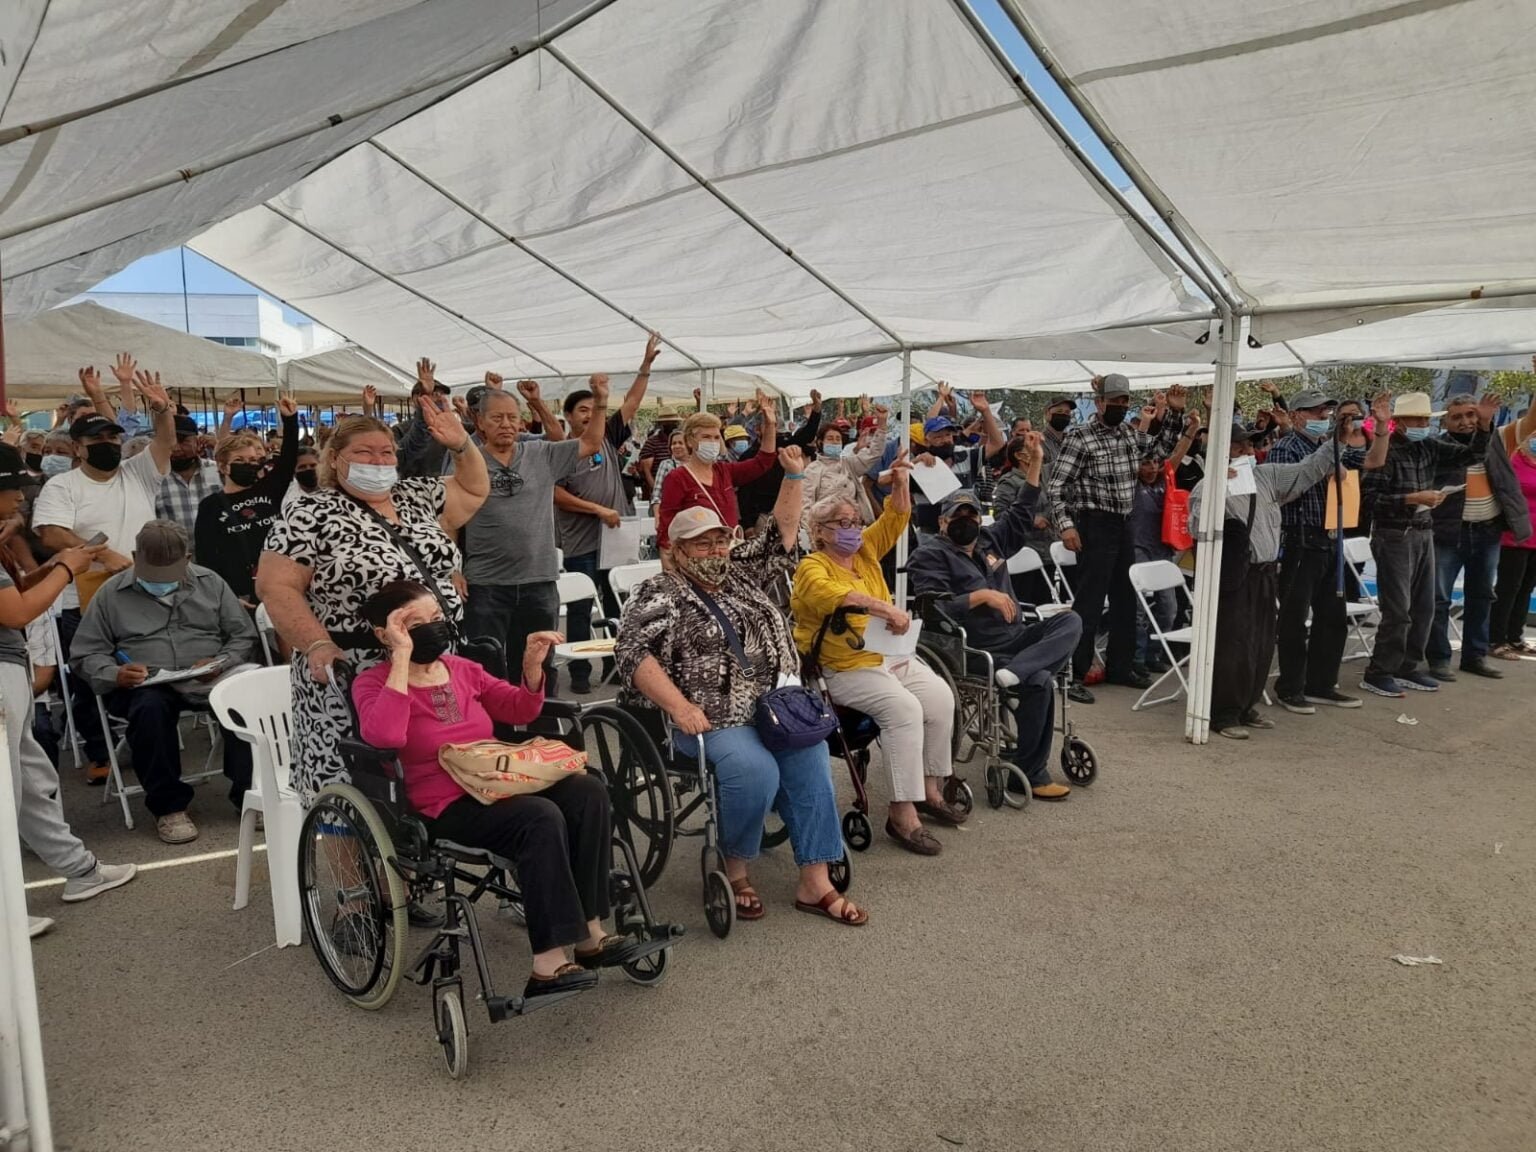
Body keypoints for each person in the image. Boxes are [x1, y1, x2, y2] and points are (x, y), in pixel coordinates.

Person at [351, 580, 640, 997]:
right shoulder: (373, 683)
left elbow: (518, 708)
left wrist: (532, 668)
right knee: (539, 817)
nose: (433, 628)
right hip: (443, 803)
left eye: (437, 617)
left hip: (498, 781)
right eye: (415, 624)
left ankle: (590, 935)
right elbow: (385, 737)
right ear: (386, 634)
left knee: (588, 791)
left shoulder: (463, 669)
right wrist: (400, 658)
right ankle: (547, 963)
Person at [619, 455, 867, 926]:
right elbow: (633, 654)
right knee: (754, 770)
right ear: (677, 549)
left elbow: (782, 532)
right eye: (701, 543)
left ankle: (815, 880)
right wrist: (679, 706)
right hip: (708, 716)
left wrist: (793, 476)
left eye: (719, 540)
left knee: (812, 756)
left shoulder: (741, 575)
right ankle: (734, 868)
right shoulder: (658, 592)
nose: (714, 550)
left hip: (773, 707)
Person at [256, 398, 489, 800]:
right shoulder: (308, 512)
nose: (378, 461)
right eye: (364, 452)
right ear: (335, 459)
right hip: (354, 667)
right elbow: (276, 587)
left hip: (430, 661)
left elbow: (473, 488)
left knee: (435, 771)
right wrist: (316, 643)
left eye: (386, 452)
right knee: (357, 783)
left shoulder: (416, 495)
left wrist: (461, 444)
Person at [792, 451, 968, 855]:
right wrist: (883, 608)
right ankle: (902, 814)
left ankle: (930, 789)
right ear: (819, 532)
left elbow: (896, 518)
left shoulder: (865, 552)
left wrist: (902, 482)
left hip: (887, 655)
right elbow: (832, 595)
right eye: (842, 524)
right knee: (905, 710)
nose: (853, 529)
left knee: (940, 697)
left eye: (856, 522)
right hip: (842, 667)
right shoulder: (811, 567)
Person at [0, 445, 137, 936]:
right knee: (7, 792)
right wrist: (66, 570)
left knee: (30, 783)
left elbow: (15, 596)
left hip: (9, 668)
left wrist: (56, 564)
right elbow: (16, 612)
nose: (20, 497)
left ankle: (80, 870)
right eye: (11, 488)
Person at [908, 440, 1082, 801]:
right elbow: (934, 608)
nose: (966, 522)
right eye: (958, 517)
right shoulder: (930, 554)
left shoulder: (989, 540)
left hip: (1015, 640)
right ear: (942, 522)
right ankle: (1031, 772)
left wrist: (1035, 462)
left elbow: (1021, 511)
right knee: (1040, 680)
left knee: (1070, 621)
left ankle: (1016, 672)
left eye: (971, 516)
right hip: (973, 648)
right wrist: (982, 596)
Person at [70, 521, 260, 843]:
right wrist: (115, 673)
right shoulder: (111, 594)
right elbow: (85, 654)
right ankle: (169, 807)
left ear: (187, 559)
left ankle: (250, 794)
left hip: (208, 676)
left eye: (169, 573)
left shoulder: (211, 583)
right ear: (135, 557)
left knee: (246, 697)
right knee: (150, 710)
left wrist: (221, 662)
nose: (160, 582)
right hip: (147, 682)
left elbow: (242, 635)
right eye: (152, 573)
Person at [32, 370, 175, 785]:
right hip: (86, 599)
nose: (108, 444)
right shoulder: (63, 486)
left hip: (144, 592)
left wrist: (161, 408)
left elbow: (165, 441)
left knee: (153, 670)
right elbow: (50, 532)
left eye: (113, 438)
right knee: (90, 678)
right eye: (97, 440)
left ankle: (146, 735)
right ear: (78, 448)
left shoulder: (137, 472)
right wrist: (100, 552)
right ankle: (99, 750)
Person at [1191, 421, 1356, 738]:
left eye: (1249, 445)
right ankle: (1224, 712)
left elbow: (1309, 469)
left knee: (1262, 642)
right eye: (1239, 445)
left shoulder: (1266, 476)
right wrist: (1215, 488)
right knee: (1232, 644)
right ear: (1220, 451)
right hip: (1234, 575)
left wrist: (1338, 441)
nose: (1247, 451)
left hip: (1266, 572)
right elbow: (1196, 527)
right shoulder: (1206, 486)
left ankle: (1246, 705)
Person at [460, 376, 609, 692]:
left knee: (538, 664)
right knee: (485, 666)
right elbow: (450, 517)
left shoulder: (541, 453)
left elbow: (591, 443)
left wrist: (601, 402)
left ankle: (541, 719)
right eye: (496, 418)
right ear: (479, 422)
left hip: (538, 581)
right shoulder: (466, 459)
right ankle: (493, 724)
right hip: (486, 583)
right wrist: (452, 569)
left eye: (512, 417)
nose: (506, 424)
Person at [1045, 374, 1185, 702]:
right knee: (1090, 602)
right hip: (1094, 523)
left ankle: (1120, 666)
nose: (1121, 407)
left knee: (1126, 597)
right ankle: (1074, 673)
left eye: (1125, 401)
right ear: (1099, 403)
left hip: (1125, 522)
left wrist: (1175, 413)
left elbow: (1161, 450)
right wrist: (1066, 526)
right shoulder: (1080, 436)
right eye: (1115, 401)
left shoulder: (1128, 433)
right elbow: (1056, 486)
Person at [1361, 390, 1497, 698]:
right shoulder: (1386, 451)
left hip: (1423, 530)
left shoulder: (1428, 446)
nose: (1423, 424)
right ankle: (1379, 671)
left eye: (1425, 419)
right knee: (1399, 610)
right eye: (1417, 420)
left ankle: (1407, 666)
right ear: (1401, 422)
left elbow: (1472, 455)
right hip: (1394, 534)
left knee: (1424, 607)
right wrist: (1412, 498)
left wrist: (1484, 425)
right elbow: (1369, 501)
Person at [554, 335, 658, 693]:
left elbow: (632, 403)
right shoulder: (561, 451)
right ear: (569, 417)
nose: (588, 414)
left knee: (618, 605)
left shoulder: (609, 438)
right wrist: (596, 509)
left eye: (592, 408)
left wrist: (645, 366)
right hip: (582, 543)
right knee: (581, 608)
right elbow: (556, 494)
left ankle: (616, 668)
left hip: (616, 541)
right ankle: (580, 673)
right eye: (581, 410)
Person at [1265, 389, 1373, 713]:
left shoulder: (1328, 445)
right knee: (1294, 619)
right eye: (1314, 412)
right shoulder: (1286, 448)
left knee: (1333, 616)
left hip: (1330, 537)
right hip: (1301, 539)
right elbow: (1287, 487)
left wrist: (1372, 429)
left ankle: (1321, 684)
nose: (1321, 417)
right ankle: (1290, 687)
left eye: (1325, 412)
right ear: (1296, 415)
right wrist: (1326, 466)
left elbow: (1368, 461)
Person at [1426, 394, 1535, 678]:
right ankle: (1438, 658)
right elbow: (1470, 453)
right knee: (1439, 598)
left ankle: (1474, 656)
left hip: (1487, 532)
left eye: (1471, 415)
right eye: (1457, 417)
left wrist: (1487, 424)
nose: (1465, 421)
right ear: (1446, 422)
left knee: (1482, 596)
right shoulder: (1437, 446)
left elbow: (1530, 422)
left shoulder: (1497, 440)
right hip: (1449, 533)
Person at [194, 397, 299, 609]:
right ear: (223, 467)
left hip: (281, 587)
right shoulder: (211, 506)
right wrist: (226, 597)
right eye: (239, 461)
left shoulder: (269, 488)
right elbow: (206, 557)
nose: (248, 465)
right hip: (240, 597)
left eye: (252, 461)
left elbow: (288, 458)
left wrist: (290, 420)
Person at [656, 397, 779, 550]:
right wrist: (669, 556)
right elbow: (666, 526)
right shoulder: (677, 478)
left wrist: (770, 425)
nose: (712, 442)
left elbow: (763, 462)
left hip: (729, 550)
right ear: (690, 441)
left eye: (716, 437)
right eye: (706, 437)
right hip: (699, 554)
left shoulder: (724, 471)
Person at [1490, 422, 1536, 660]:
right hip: (1514, 536)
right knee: (1508, 588)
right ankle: (1496, 639)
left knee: (1526, 589)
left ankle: (1515, 636)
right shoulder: (1513, 460)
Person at [798, 408, 886, 532]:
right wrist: (812, 534)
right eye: (830, 439)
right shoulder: (812, 470)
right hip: (826, 531)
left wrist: (882, 425)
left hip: (854, 528)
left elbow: (873, 453)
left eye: (838, 439)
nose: (834, 442)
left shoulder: (849, 464)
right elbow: (805, 505)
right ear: (820, 442)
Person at [155, 413, 221, 544]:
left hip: (216, 552)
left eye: (183, 441)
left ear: (198, 441)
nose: (176, 448)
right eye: (169, 442)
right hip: (172, 554)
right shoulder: (154, 477)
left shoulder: (215, 470)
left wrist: (219, 447)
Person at [636, 404, 684, 500]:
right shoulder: (652, 442)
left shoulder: (682, 441)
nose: (671, 425)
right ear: (661, 424)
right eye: (667, 422)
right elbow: (646, 470)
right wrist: (657, 492)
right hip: (660, 490)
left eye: (673, 422)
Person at [650, 430, 687, 504]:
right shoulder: (666, 464)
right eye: (674, 443)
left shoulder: (696, 465)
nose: (677, 446)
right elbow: (656, 495)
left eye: (680, 443)